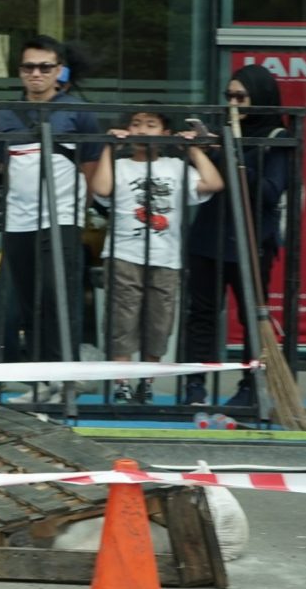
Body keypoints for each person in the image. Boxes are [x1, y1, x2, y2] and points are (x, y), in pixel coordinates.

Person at [0, 35, 97, 386]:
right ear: (20, 71)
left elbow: (91, 167)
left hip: (62, 218)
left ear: (59, 71)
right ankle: (40, 381)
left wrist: (78, 211)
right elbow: (5, 164)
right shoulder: (5, 113)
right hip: (19, 220)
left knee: (58, 298)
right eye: (29, 67)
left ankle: (63, 378)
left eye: (45, 67)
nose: (36, 73)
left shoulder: (78, 110)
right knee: (27, 301)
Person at [88, 109, 221, 404]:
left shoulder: (176, 166)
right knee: (121, 321)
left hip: (166, 257)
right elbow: (101, 189)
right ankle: (121, 383)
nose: (142, 130)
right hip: (124, 254)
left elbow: (213, 183)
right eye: (136, 124)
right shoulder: (120, 165)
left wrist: (192, 150)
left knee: (159, 323)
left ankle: (146, 381)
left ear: (165, 134)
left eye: (151, 124)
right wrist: (109, 147)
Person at [182, 64, 293, 405]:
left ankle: (250, 387)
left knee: (251, 316)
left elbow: (271, 191)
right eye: (228, 96)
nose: (232, 103)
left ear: (259, 97)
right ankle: (195, 385)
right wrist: (204, 149)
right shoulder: (224, 133)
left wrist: (231, 157)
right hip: (209, 235)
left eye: (240, 97)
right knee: (201, 315)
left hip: (252, 240)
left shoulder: (277, 137)